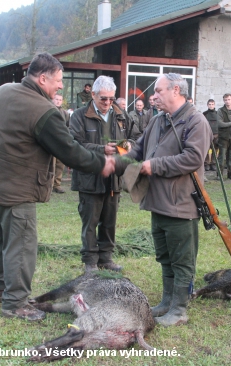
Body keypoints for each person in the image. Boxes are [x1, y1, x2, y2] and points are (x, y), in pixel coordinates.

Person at [0, 52, 114, 321]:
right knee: (21, 244)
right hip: (17, 189)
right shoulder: (44, 111)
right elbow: (70, 151)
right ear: (42, 78)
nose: (61, 86)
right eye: (58, 80)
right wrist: (101, 163)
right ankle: (15, 302)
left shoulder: (2, 92)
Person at [115, 73, 212, 327]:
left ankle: (179, 310)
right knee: (165, 256)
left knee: (182, 260)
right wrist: (116, 161)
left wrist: (153, 165)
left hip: (181, 204)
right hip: (157, 202)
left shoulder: (196, 121)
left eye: (158, 91)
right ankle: (167, 302)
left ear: (176, 90)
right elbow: (138, 148)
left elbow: (193, 158)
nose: (153, 96)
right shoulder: (158, 120)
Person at [70, 75, 132, 274]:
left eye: (111, 99)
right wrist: (100, 149)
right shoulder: (79, 116)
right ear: (93, 94)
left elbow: (134, 138)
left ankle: (106, 258)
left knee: (110, 220)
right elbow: (74, 144)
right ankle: (90, 261)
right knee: (90, 221)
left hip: (114, 177)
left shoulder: (121, 115)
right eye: (103, 98)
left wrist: (123, 147)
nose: (107, 103)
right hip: (89, 178)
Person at [51, 94, 70, 193]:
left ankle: (57, 185)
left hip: (61, 142)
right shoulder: (48, 110)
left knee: (60, 164)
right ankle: (49, 185)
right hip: (50, 142)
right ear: (52, 99)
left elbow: (68, 126)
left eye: (60, 100)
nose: (58, 101)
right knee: (51, 164)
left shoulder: (65, 113)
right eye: (56, 99)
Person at [203, 99, 219, 171]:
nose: (211, 106)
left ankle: (213, 163)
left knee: (215, 150)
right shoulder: (204, 114)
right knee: (206, 149)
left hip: (216, 134)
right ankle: (206, 164)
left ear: (214, 105)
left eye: (212, 104)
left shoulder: (218, 113)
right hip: (207, 134)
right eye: (209, 104)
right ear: (207, 105)